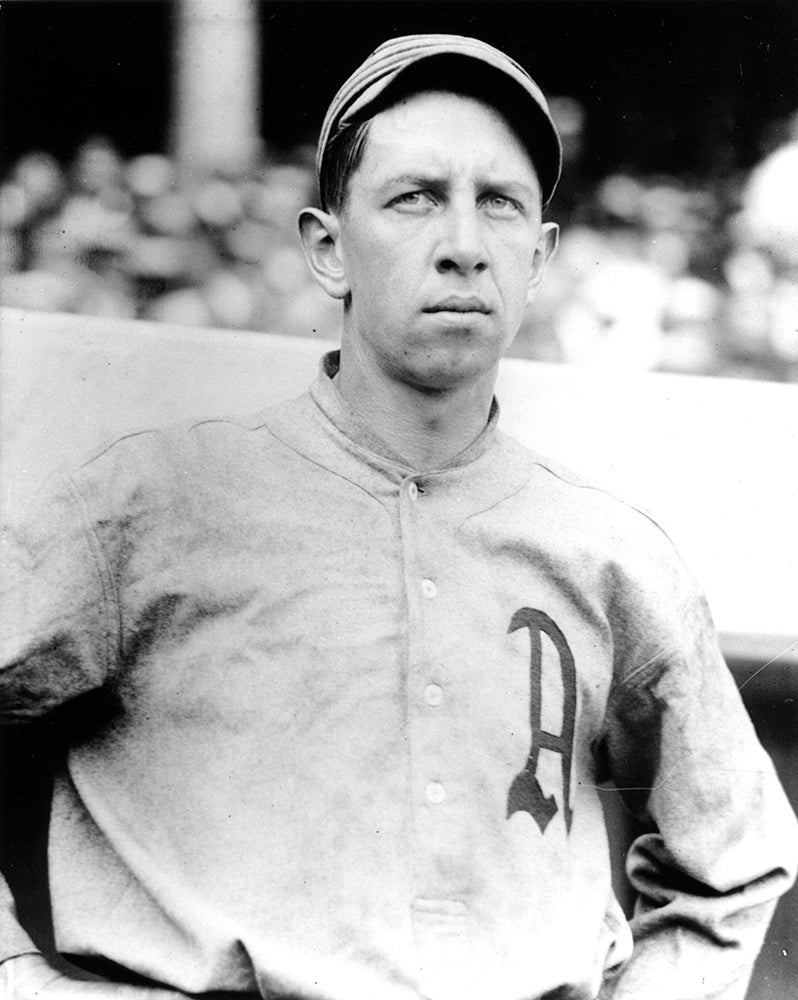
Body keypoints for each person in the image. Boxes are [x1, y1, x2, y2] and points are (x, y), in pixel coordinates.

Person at [1, 33, 796, 1000]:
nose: (463, 243)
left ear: (539, 257)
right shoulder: (153, 505)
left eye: (499, 204)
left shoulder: (609, 553)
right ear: (328, 249)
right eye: (414, 197)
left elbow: (737, 861)